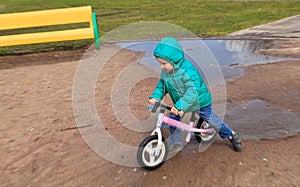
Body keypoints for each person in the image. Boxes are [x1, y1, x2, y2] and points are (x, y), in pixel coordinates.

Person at [148, 37, 243, 152]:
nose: (161, 67)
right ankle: (176, 142)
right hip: (182, 103)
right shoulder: (167, 71)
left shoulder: (188, 72)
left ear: (174, 61)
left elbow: (192, 92)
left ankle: (231, 134)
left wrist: (180, 106)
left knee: (212, 121)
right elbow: (162, 85)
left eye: (164, 63)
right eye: (160, 63)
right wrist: (156, 97)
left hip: (199, 101)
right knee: (173, 119)